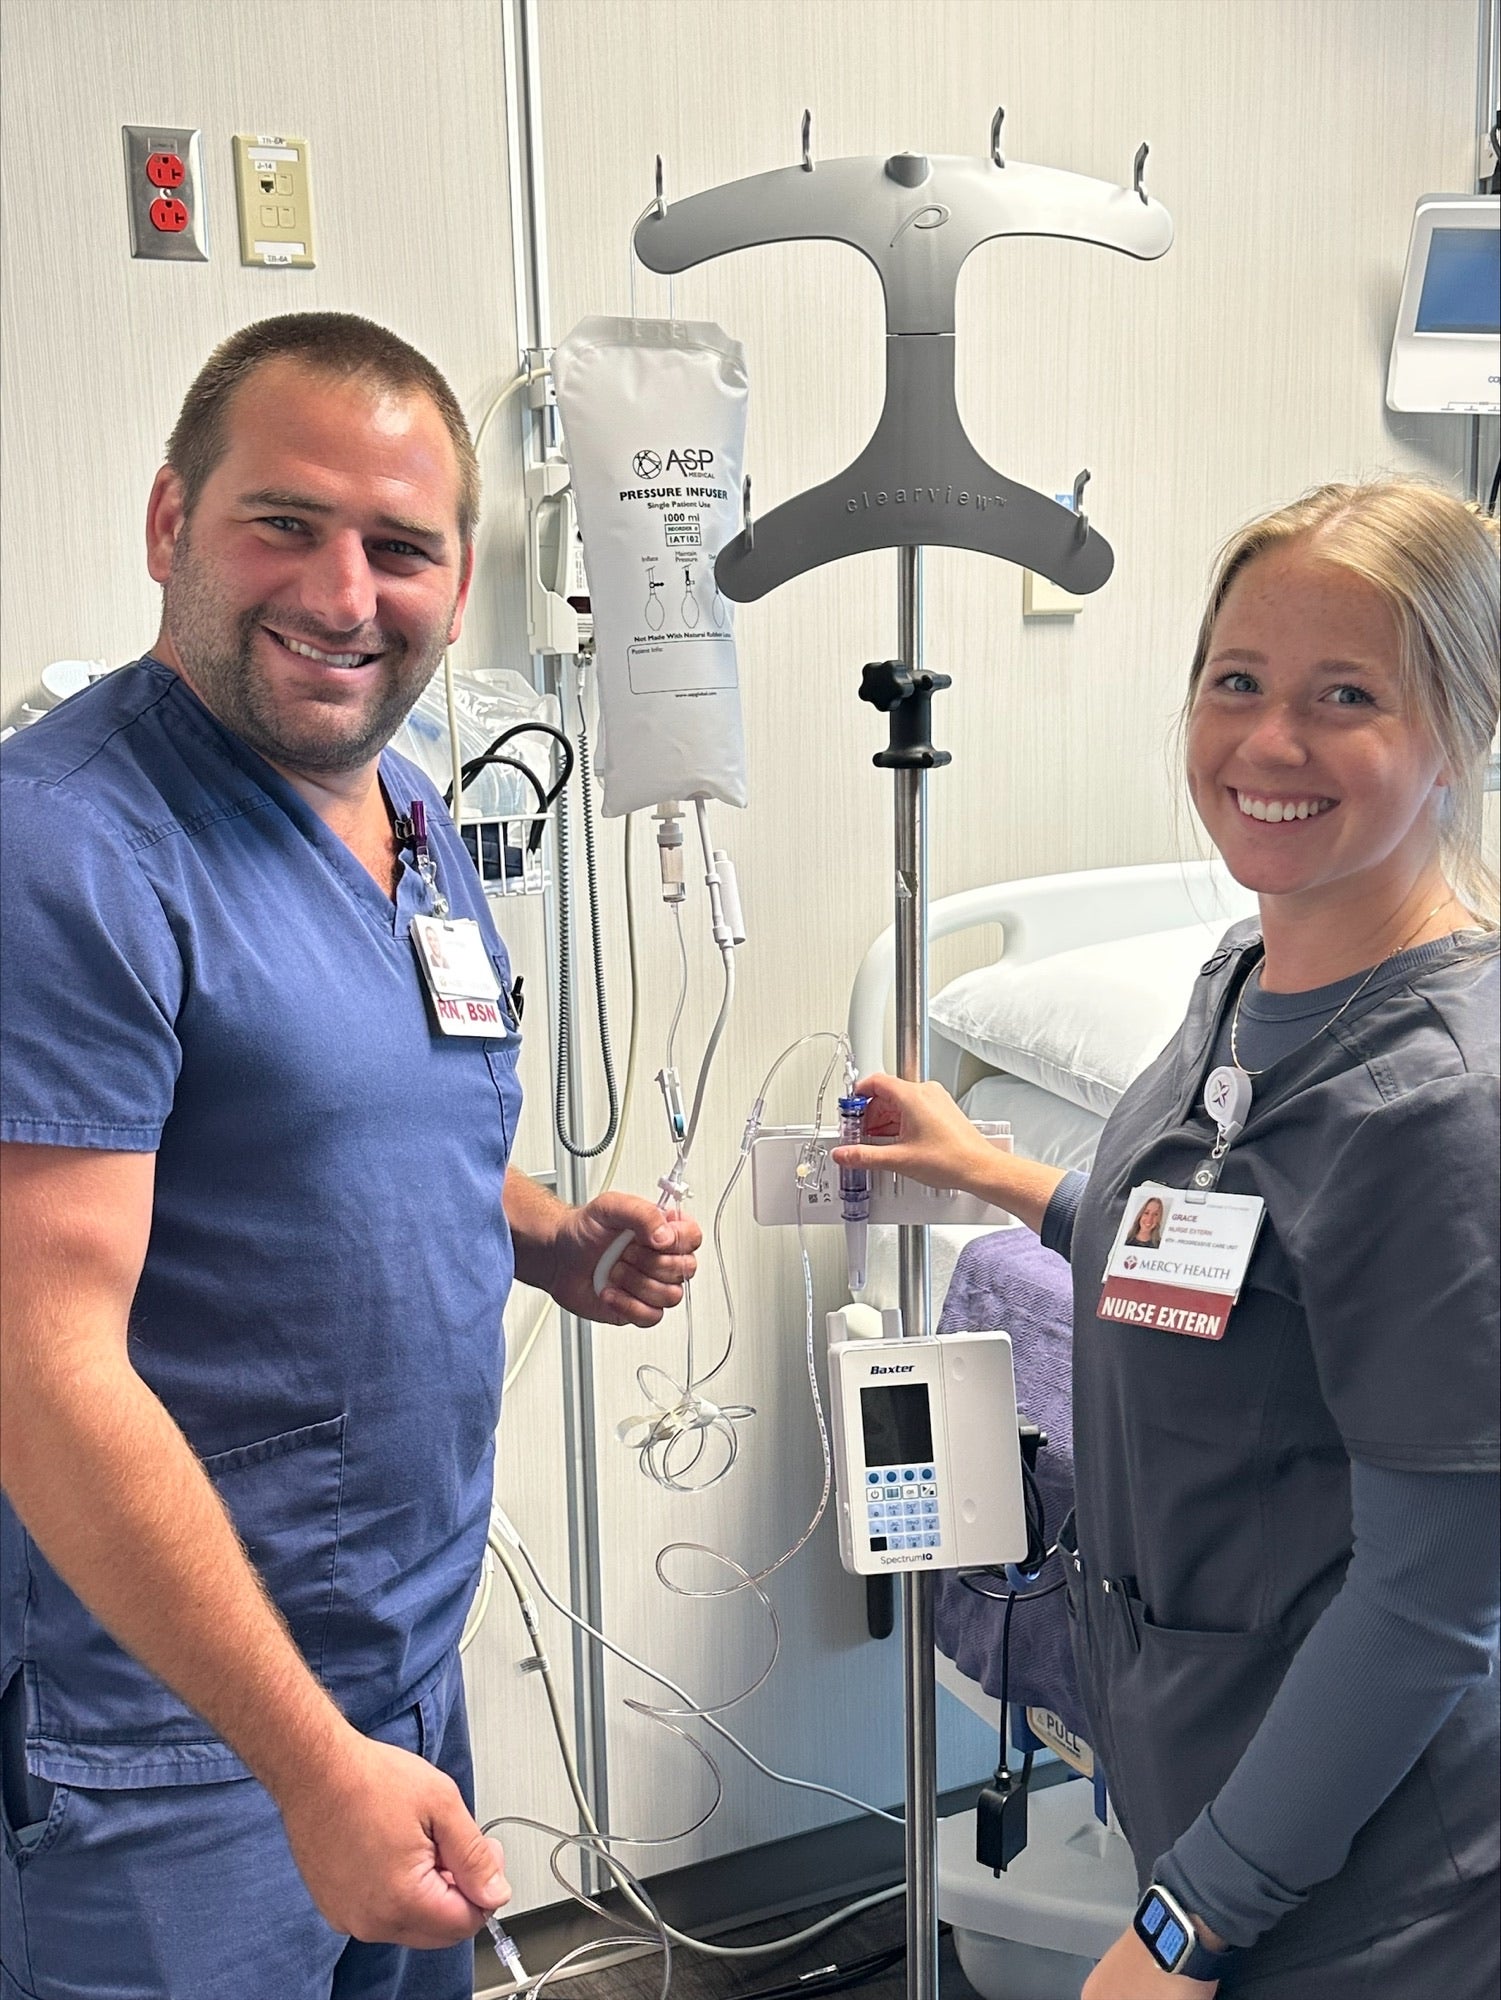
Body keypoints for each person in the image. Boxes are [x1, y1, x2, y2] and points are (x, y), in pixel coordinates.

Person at [0, 313, 701, 2000]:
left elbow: (338, 1130)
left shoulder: (410, 813)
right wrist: (308, 1765)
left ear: (460, 580)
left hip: (392, 1675)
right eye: (284, 524)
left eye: (400, 547)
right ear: (172, 525)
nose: (341, 593)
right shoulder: (69, 853)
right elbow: (38, 1361)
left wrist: (537, 1232)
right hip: (175, 1737)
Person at [835, 481, 1499, 1997]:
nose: (1268, 743)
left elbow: (1428, 1605)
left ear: (1460, 731)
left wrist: (1187, 1916)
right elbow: (1219, 1274)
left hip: (1378, 1877)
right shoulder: (1235, 984)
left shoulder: (1441, 1106)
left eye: (1347, 696)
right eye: (1234, 682)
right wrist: (998, 1175)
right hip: (1203, 1759)